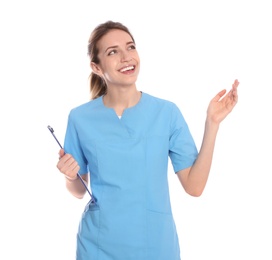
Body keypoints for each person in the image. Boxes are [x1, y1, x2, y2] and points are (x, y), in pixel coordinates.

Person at [56, 20, 239, 260]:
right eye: (113, 52)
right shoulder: (80, 118)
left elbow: (194, 187)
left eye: (130, 47)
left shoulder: (166, 113)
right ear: (97, 67)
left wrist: (212, 123)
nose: (126, 57)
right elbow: (79, 190)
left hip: (155, 245)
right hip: (98, 245)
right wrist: (70, 176)